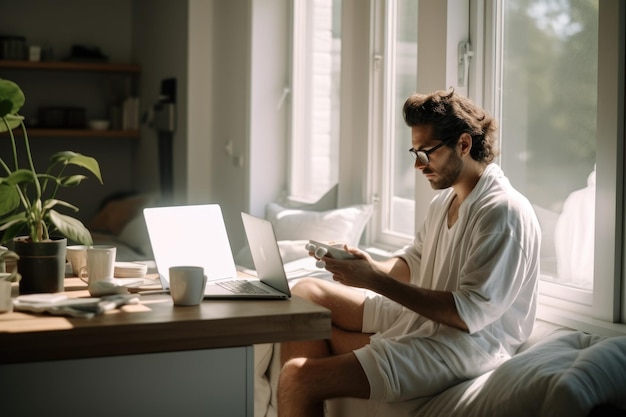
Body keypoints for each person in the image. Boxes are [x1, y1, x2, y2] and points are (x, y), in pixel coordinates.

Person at [277, 89, 541, 417]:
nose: (418, 165)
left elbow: (467, 315)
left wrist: (373, 281)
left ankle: (310, 387)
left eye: (427, 153)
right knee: (306, 296)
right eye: (414, 152)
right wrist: (368, 266)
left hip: (461, 347)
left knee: (297, 378)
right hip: (422, 319)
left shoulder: (503, 212)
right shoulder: (445, 201)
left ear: (463, 144)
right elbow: (414, 260)